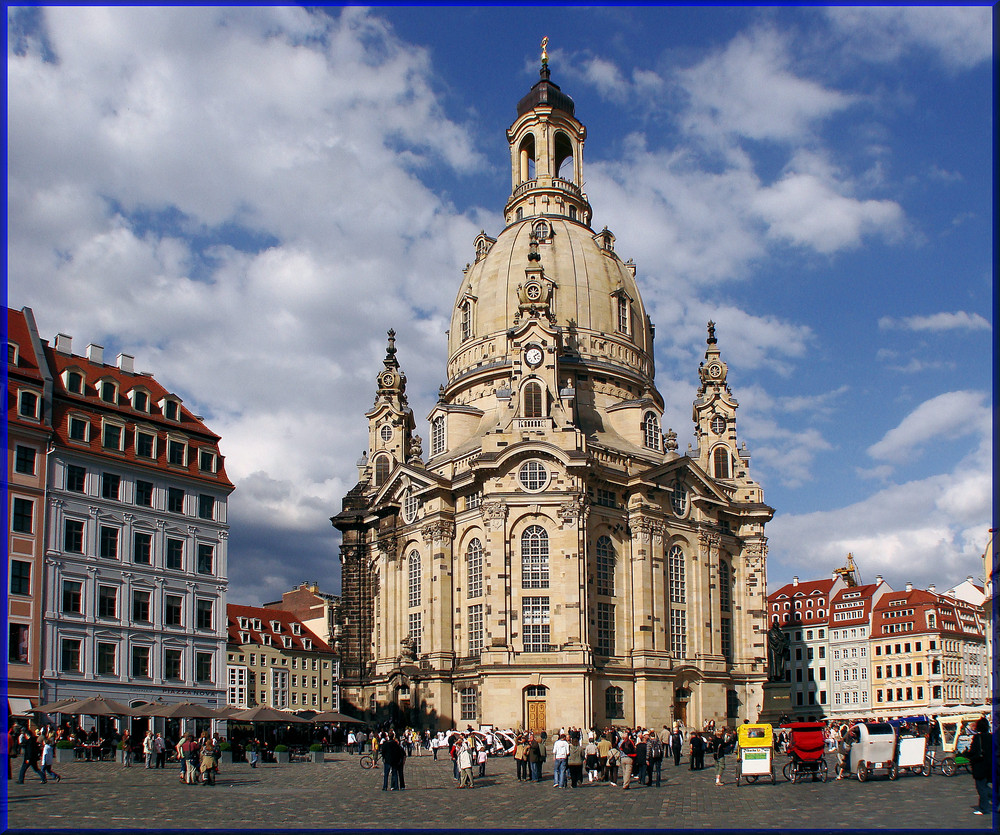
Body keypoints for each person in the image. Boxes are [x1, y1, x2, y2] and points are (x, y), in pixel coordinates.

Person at [968, 716, 992, 816]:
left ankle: (984, 808)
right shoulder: (991, 736)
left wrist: (966, 754)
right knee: (985, 786)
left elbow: (973, 751)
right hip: (990, 765)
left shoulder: (978, 738)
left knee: (981, 787)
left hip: (980, 765)